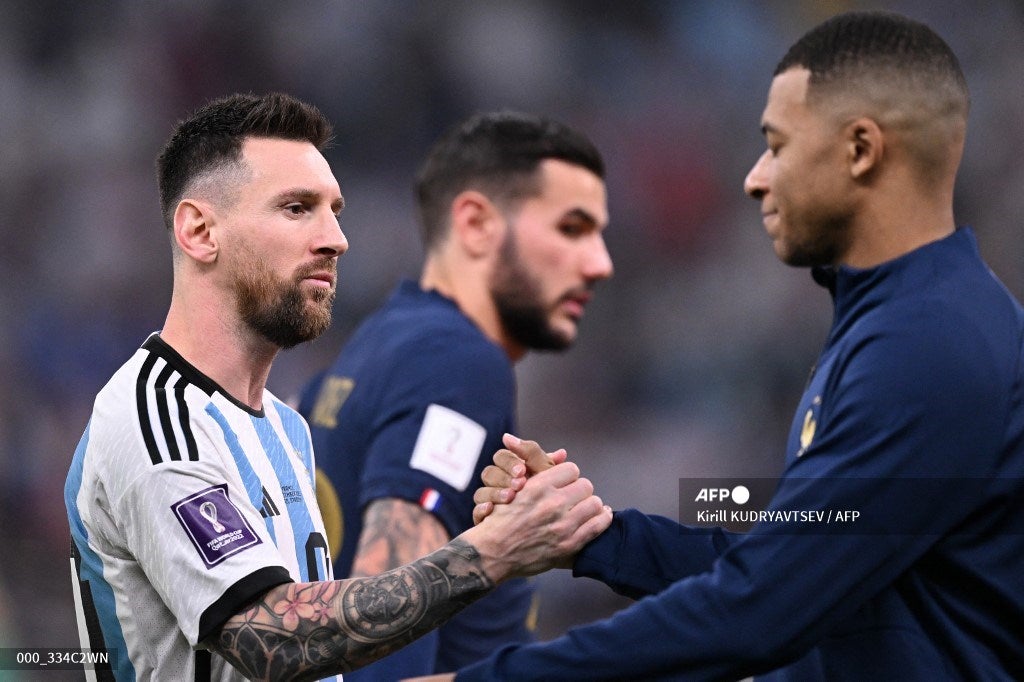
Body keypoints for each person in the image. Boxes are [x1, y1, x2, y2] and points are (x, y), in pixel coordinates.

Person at [434, 10, 1024, 681]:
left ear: (861, 150)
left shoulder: (928, 347)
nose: (755, 177)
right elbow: (788, 566)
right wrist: (596, 538)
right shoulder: (906, 324)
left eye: (777, 144)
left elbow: (759, 611)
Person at [63, 92, 612, 682]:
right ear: (199, 231)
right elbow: (272, 640)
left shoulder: (283, 425)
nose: (336, 238)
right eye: (297, 209)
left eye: (335, 210)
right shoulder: (156, 420)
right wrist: (494, 551)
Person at [296, 110, 613, 679]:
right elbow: (379, 653)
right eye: (571, 228)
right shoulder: (456, 362)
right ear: (475, 224)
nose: (599, 263)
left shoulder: (374, 344)